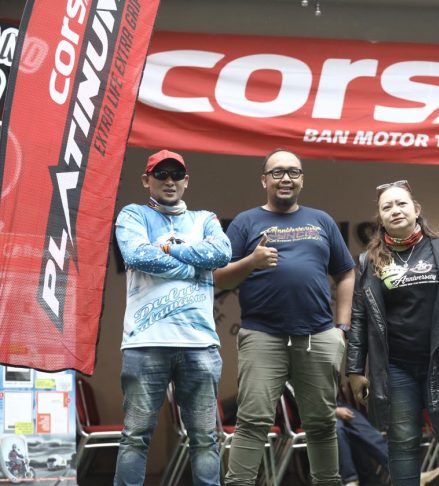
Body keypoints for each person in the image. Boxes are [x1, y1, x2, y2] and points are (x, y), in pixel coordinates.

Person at [215, 149, 355, 486]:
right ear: (264, 180)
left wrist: (341, 328)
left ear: (302, 180)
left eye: (293, 172)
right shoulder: (245, 222)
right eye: (277, 172)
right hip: (263, 335)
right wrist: (251, 261)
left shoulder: (322, 221)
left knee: (322, 423)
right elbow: (220, 278)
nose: (286, 178)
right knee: (253, 422)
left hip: (318, 336)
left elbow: (346, 273)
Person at [345, 180, 439, 486]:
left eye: (401, 204)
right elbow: (359, 318)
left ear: (416, 210)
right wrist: (354, 369)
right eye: (387, 207)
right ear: (380, 218)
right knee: (403, 444)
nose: (395, 210)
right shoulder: (368, 261)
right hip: (395, 367)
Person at [113, 149, 232, 486]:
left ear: (186, 181)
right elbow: (137, 254)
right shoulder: (133, 214)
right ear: (146, 180)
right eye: (161, 174)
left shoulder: (204, 218)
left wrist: (168, 248)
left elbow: (222, 253)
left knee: (205, 439)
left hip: (200, 345)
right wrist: (194, 267)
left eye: (176, 175)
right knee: (135, 437)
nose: (169, 181)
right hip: (145, 342)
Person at [335, 399, 389, 486]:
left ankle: (398, 468)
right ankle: (350, 480)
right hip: (320, 411)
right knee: (338, 430)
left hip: (338, 404)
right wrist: (334, 411)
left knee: (366, 432)